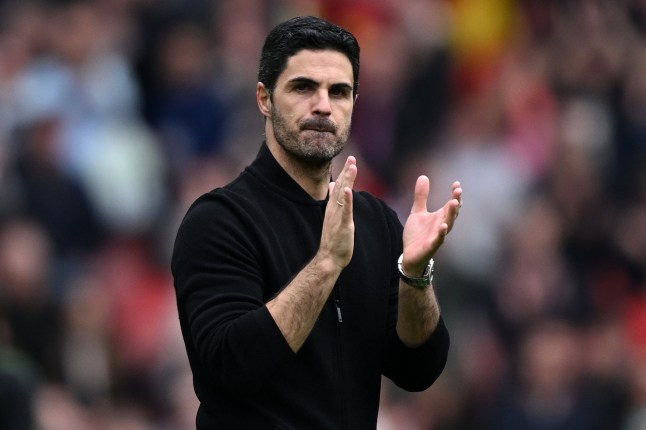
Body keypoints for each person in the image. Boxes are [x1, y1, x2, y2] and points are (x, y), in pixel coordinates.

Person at [171, 16, 463, 429]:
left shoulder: (375, 221)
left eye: (339, 92)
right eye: (303, 87)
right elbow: (231, 367)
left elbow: (419, 370)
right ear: (264, 99)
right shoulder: (218, 221)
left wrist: (414, 276)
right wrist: (326, 264)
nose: (323, 105)